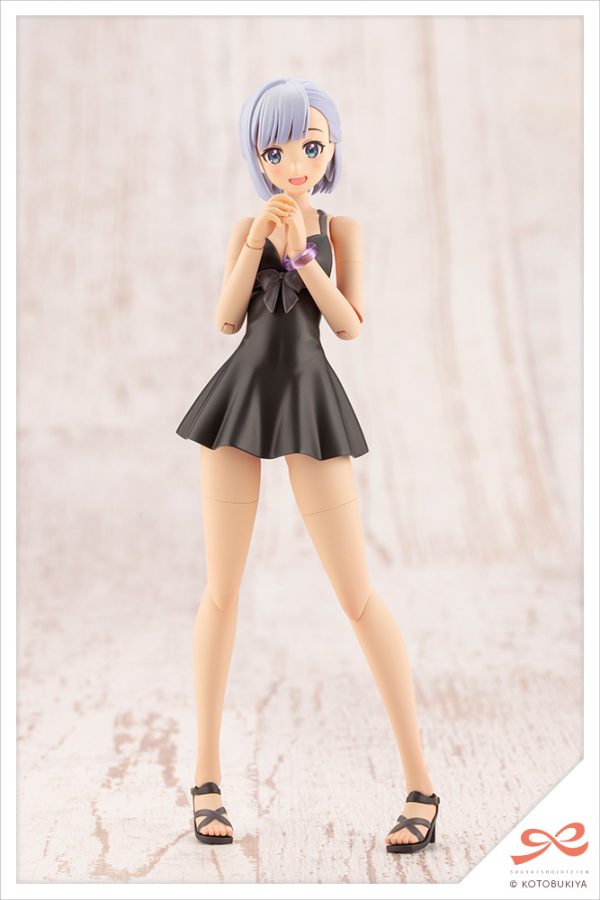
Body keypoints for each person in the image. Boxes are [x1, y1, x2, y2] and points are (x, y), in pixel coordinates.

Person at [176, 77, 440, 854]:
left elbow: (350, 325)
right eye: (275, 150)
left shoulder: (339, 227)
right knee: (222, 590)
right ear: (257, 157)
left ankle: (422, 784)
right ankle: (205, 775)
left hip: (311, 401)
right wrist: (256, 243)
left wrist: (303, 257)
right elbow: (226, 317)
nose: (294, 162)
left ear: (330, 150)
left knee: (356, 594)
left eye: (310, 146)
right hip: (239, 403)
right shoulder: (247, 224)